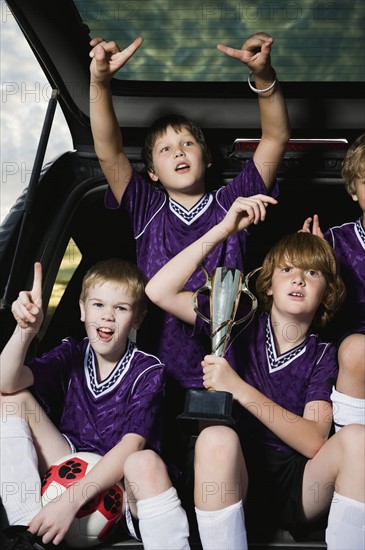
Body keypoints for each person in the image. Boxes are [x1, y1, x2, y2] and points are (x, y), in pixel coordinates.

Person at [89, 31, 290, 480]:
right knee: (159, 479)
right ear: (153, 173)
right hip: (159, 377)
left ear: (207, 158)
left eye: (187, 144)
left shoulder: (231, 200)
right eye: (164, 149)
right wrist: (99, 82)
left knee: (222, 475)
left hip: (231, 372)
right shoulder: (146, 207)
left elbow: (275, 139)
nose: (178, 152)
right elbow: (107, 150)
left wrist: (264, 76)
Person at [144, 197, 365, 549]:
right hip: (229, 474)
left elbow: (314, 442)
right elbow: (158, 290)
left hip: (292, 485)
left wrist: (238, 388)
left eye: (312, 272)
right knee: (217, 439)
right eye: (287, 270)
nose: (298, 280)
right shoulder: (234, 322)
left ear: (327, 293)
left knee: (358, 439)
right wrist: (223, 229)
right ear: (267, 284)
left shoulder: (323, 355)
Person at [0, 259, 190, 549]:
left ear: (137, 320)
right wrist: (24, 331)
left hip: (123, 489)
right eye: (98, 305)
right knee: (11, 400)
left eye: (121, 308)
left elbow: (131, 446)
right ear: (82, 310)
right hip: (69, 462)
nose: (107, 317)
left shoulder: (148, 371)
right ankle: (28, 529)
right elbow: (6, 382)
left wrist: (69, 500)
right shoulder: (71, 353)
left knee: (145, 461)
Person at [302, 133, 365, 433]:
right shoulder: (335, 241)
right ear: (354, 191)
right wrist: (314, 262)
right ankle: (351, 447)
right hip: (351, 350)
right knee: (357, 349)